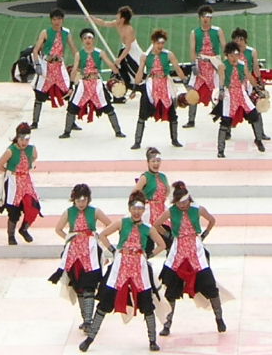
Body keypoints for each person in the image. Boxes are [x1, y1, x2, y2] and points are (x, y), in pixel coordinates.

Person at [81, 191, 161, 352]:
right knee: (105, 301)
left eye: (140, 208)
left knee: (147, 303)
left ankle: (152, 340)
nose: (137, 211)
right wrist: (113, 250)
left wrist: (148, 255)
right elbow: (103, 235)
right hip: (120, 265)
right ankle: (90, 338)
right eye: (134, 208)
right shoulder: (122, 223)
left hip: (139, 267)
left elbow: (162, 245)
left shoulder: (147, 228)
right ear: (129, 208)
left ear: (143, 210)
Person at [157, 182, 225, 335]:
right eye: (179, 202)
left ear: (189, 199)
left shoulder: (198, 209)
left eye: (185, 202)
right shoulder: (171, 211)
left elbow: (212, 220)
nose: (182, 205)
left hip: (196, 250)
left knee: (209, 285)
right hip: (178, 251)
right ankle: (167, 324)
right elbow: (157, 224)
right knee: (171, 289)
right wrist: (169, 236)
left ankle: (219, 318)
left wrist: (204, 234)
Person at [51, 184, 113, 337]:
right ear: (74, 199)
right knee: (78, 286)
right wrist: (69, 238)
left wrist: (97, 236)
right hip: (74, 254)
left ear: (88, 199)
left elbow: (110, 224)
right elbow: (58, 229)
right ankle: (85, 317)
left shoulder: (95, 211)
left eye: (84, 200)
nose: (81, 203)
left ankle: (88, 320)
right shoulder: (68, 212)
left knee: (89, 286)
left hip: (91, 252)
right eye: (78, 200)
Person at [63, 29, 126, 140]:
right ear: (82, 40)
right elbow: (74, 69)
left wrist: (118, 75)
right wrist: (71, 85)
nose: (87, 40)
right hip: (84, 84)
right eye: (85, 38)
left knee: (108, 107)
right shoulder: (79, 54)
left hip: (96, 84)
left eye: (90, 38)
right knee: (72, 106)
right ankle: (67, 131)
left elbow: (111, 65)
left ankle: (118, 131)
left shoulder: (100, 52)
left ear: (93, 40)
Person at [214, 40, 269, 156]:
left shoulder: (242, 65)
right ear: (227, 55)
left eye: (236, 55)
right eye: (231, 56)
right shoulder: (223, 66)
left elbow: (249, 77)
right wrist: (221, 91)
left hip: (241, 93)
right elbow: (222, 80)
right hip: (229, 94)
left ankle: (258, 140)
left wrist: (258, 89)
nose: (234, 58)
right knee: (225, 121)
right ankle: (220, 149)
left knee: (254, 115)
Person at [132, 29, 183, 150]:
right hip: (151, 85)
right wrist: (134, 87)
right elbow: (140, 73)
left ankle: (175, 139)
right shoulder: (145, 56)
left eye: (162, 43)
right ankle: (137, 141)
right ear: (153, 43)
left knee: (172, 113)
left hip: (165, 85)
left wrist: (186, 82)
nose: (160, 46)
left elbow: (178, 69)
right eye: (158, 43)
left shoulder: (169, 55)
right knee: (142, 113)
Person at [0, 122, 41, 245]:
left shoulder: (32, 149)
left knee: (33, 206)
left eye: (27, 139)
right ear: (17, 137)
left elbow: (33, 159)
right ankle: (11, 235)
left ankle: (24, 228)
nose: (24, 142)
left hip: (26, 181)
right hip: (13, 182)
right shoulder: (11, 151)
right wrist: (9, 172)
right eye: (21, 139)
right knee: (13, 210)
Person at [31, 8, 76, 130]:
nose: (57, 22)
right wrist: (37, 64)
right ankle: (35, 122)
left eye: (59, 19)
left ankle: (72, 122)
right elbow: (35, 50)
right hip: (46, 66)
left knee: (69, 92)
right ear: (51, 20)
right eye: (55, 19)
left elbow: (74, 50)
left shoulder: (66, 33)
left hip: (59, 67)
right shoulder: (45, 32)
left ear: (63, 20)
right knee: (39, 93)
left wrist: (79, 64)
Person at [184, 6, 223, 129]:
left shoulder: (218, 31)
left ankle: (223, 120)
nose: (206, 19)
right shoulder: (194, 32)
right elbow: (192, 49)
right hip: (200, 63)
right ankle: (191, 119)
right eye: (203, 16)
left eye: (208, 16)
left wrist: (224, 64)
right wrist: (193, 64)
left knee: (218, 91)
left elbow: (225, 47)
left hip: (214, 64)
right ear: (200, 18)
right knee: (193, 91)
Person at [95, 6, 141, 87]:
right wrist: (93, 19)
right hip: (125, 49)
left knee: (134, 69)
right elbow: (104, 23)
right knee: (120, 69)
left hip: (132, 51)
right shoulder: (117, 23)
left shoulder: (128, 29)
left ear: (122, 19)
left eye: (118, 15)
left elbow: (128, 47)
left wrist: (119, 59)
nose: (116, 16)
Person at [135, 147, 171, 233]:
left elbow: (167, 192)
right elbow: (134, 194)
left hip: (162, 209)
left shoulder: (163, 176)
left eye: (158, 161)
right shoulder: (145, 177)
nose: (156, 163)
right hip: (149, 211)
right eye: (153, 161)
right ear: (148, 162)